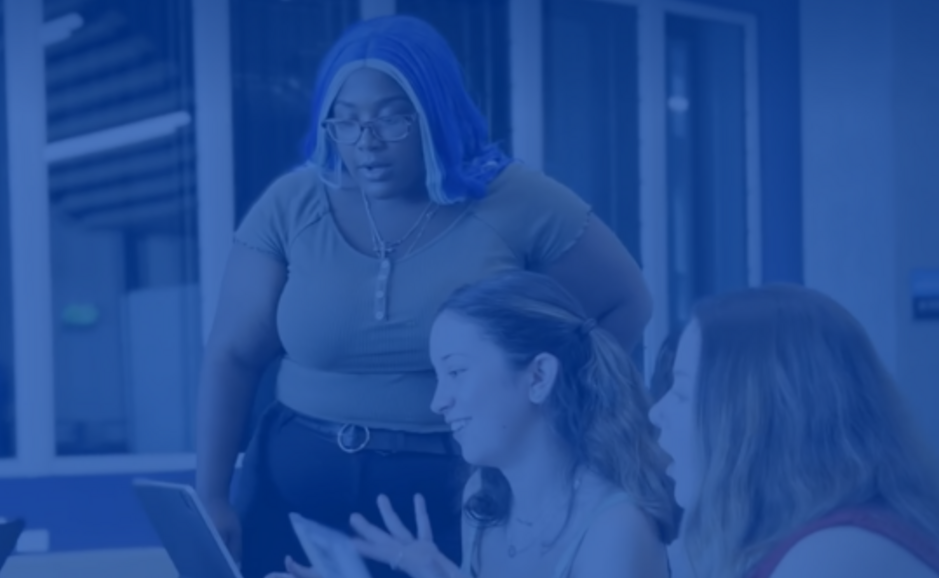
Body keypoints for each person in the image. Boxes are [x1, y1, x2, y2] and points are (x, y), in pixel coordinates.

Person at [198, 15, 651, 578]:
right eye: (346, 120)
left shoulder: (516, 199)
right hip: (291, 490)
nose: (367, 142)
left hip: (445, 492)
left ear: (435, 113)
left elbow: (626, 303)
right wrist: (211, 493)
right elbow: (232, 356)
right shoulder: (293, 203)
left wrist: (547, 406)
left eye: (393, 117)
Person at [272, 271, 676, 578]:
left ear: (538, 377)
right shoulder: (483, 498)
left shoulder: (617, 532)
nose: (438, 402)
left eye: (457, 372)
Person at [645, 285, 939, 578]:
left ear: (760, 422)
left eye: (680, 391)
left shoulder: (832, 555)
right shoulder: (830, 540)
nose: (656, 412)